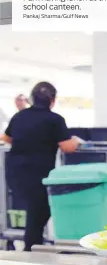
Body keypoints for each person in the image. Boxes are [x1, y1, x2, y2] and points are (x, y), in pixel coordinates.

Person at [1, 82, 81, 251]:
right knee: (41, 210)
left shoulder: (19, 116)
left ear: (31, 99)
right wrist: (76, 141)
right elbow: (67, 146)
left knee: (36, 210)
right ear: (52, 100)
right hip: (38, 174)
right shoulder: (55, 119)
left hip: (15, 172)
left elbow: (7, 138)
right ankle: (32, 248)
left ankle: (33, 245)